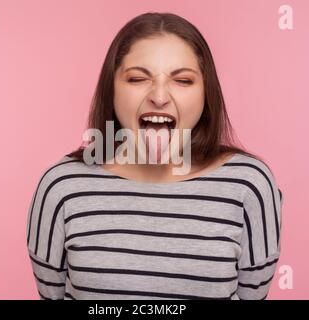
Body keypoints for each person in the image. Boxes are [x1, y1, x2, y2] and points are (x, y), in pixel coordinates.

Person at [26, 12, 283, 300]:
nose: (159, 96)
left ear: (205, 94)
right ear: (111, 89)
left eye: (183, 80)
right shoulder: (62, 186)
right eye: (137, 78)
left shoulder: (249, 186)